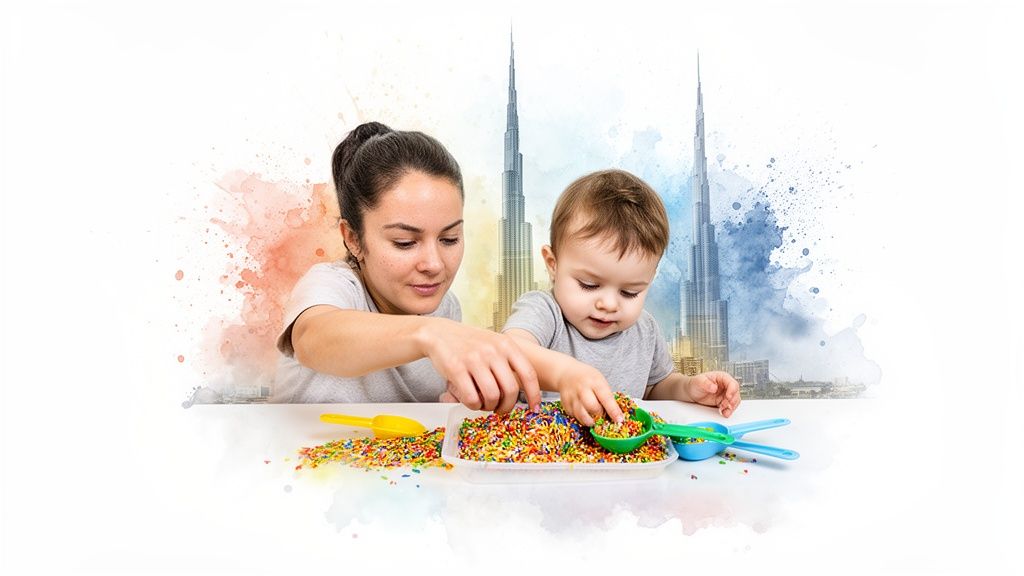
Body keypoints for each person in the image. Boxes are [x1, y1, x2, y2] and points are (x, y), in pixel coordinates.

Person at [273, 121, 540, 413]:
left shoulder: (444, 308)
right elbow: (313, 338)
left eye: (449, 239)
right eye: (404, 242)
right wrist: (429, 334)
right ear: (353, 239)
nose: (434, 265)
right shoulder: (333, 285)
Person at [502, 169, 741, 426]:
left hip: (620, 459)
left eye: (630, 292)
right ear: (553, 265)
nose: (609, 304)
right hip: (541, 454)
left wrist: (688, 388)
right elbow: (510, 351)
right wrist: (565, 374)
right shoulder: (544, 311)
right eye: (589, 285)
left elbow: (655, 387)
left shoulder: (645, 330)